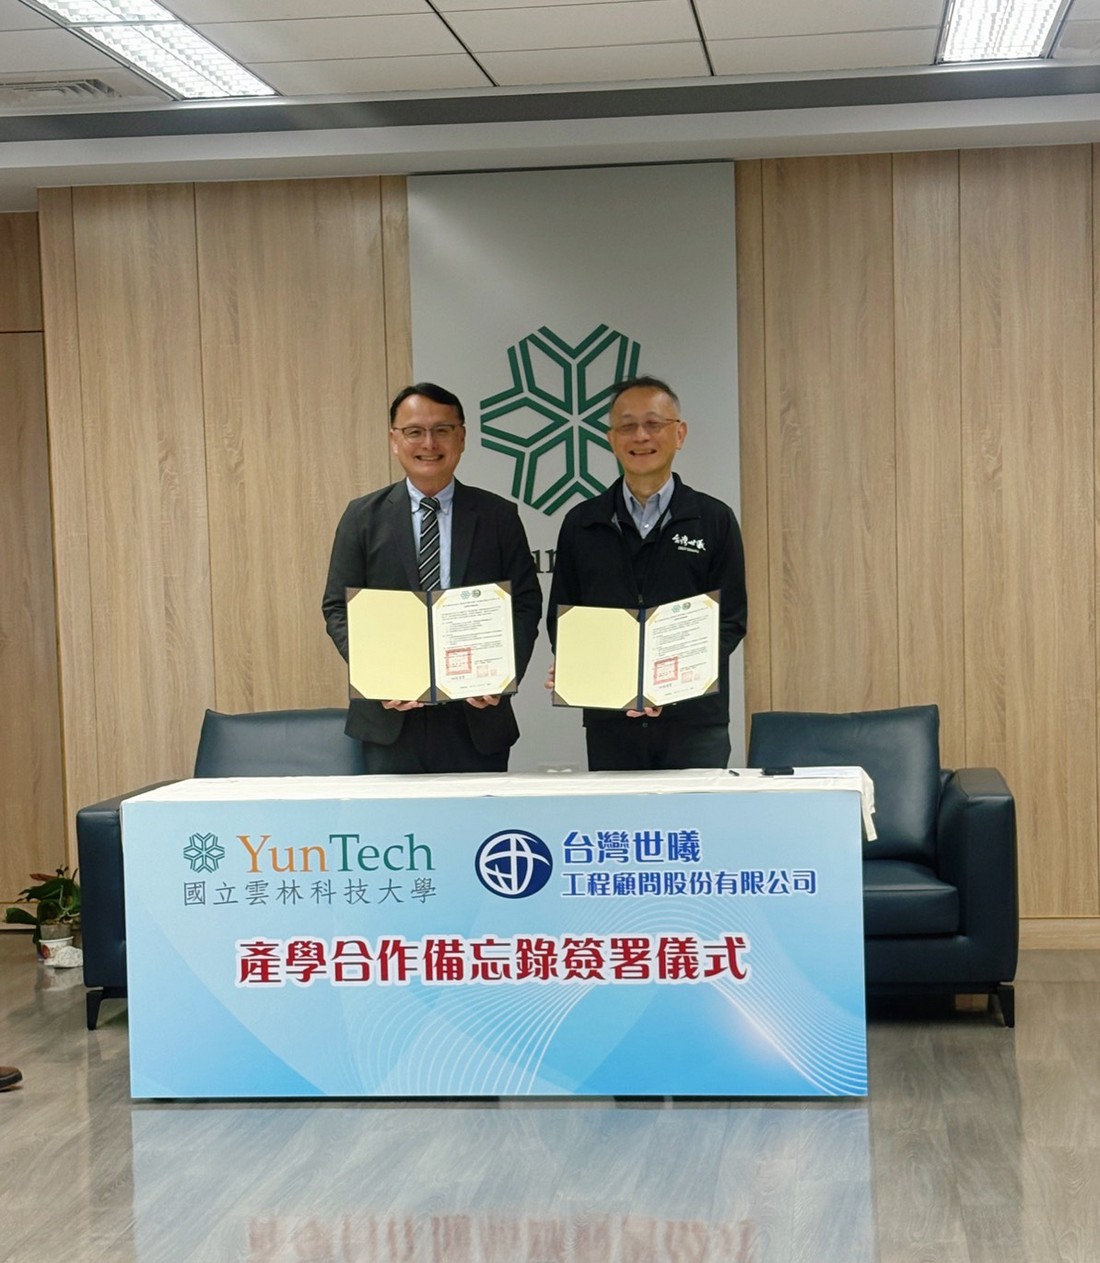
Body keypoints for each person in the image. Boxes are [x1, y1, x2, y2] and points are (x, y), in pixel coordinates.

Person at [323, 382, 541, 773]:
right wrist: (376, 674)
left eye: (442, 430)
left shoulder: (498, 517)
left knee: (476, 816)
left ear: (462, 437)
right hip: (389, 719)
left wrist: (502, 675)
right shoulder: (362, 517)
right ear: (394, 439)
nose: (429, 443)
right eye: (414, 432)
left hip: (476, 719)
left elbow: (525, 604)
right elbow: (338, 607)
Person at [547, 374, 746, 771]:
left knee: (695, 813)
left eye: (654, 424)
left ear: (679, 434)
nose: (641, 436)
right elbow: (564, 619)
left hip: (694, 722)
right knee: (618, 813)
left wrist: (669, 686)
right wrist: (580, 665)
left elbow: (730, 620)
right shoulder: (582, 522)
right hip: (611, 721)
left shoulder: (714, 519)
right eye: (627, 426)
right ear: (610, 439)